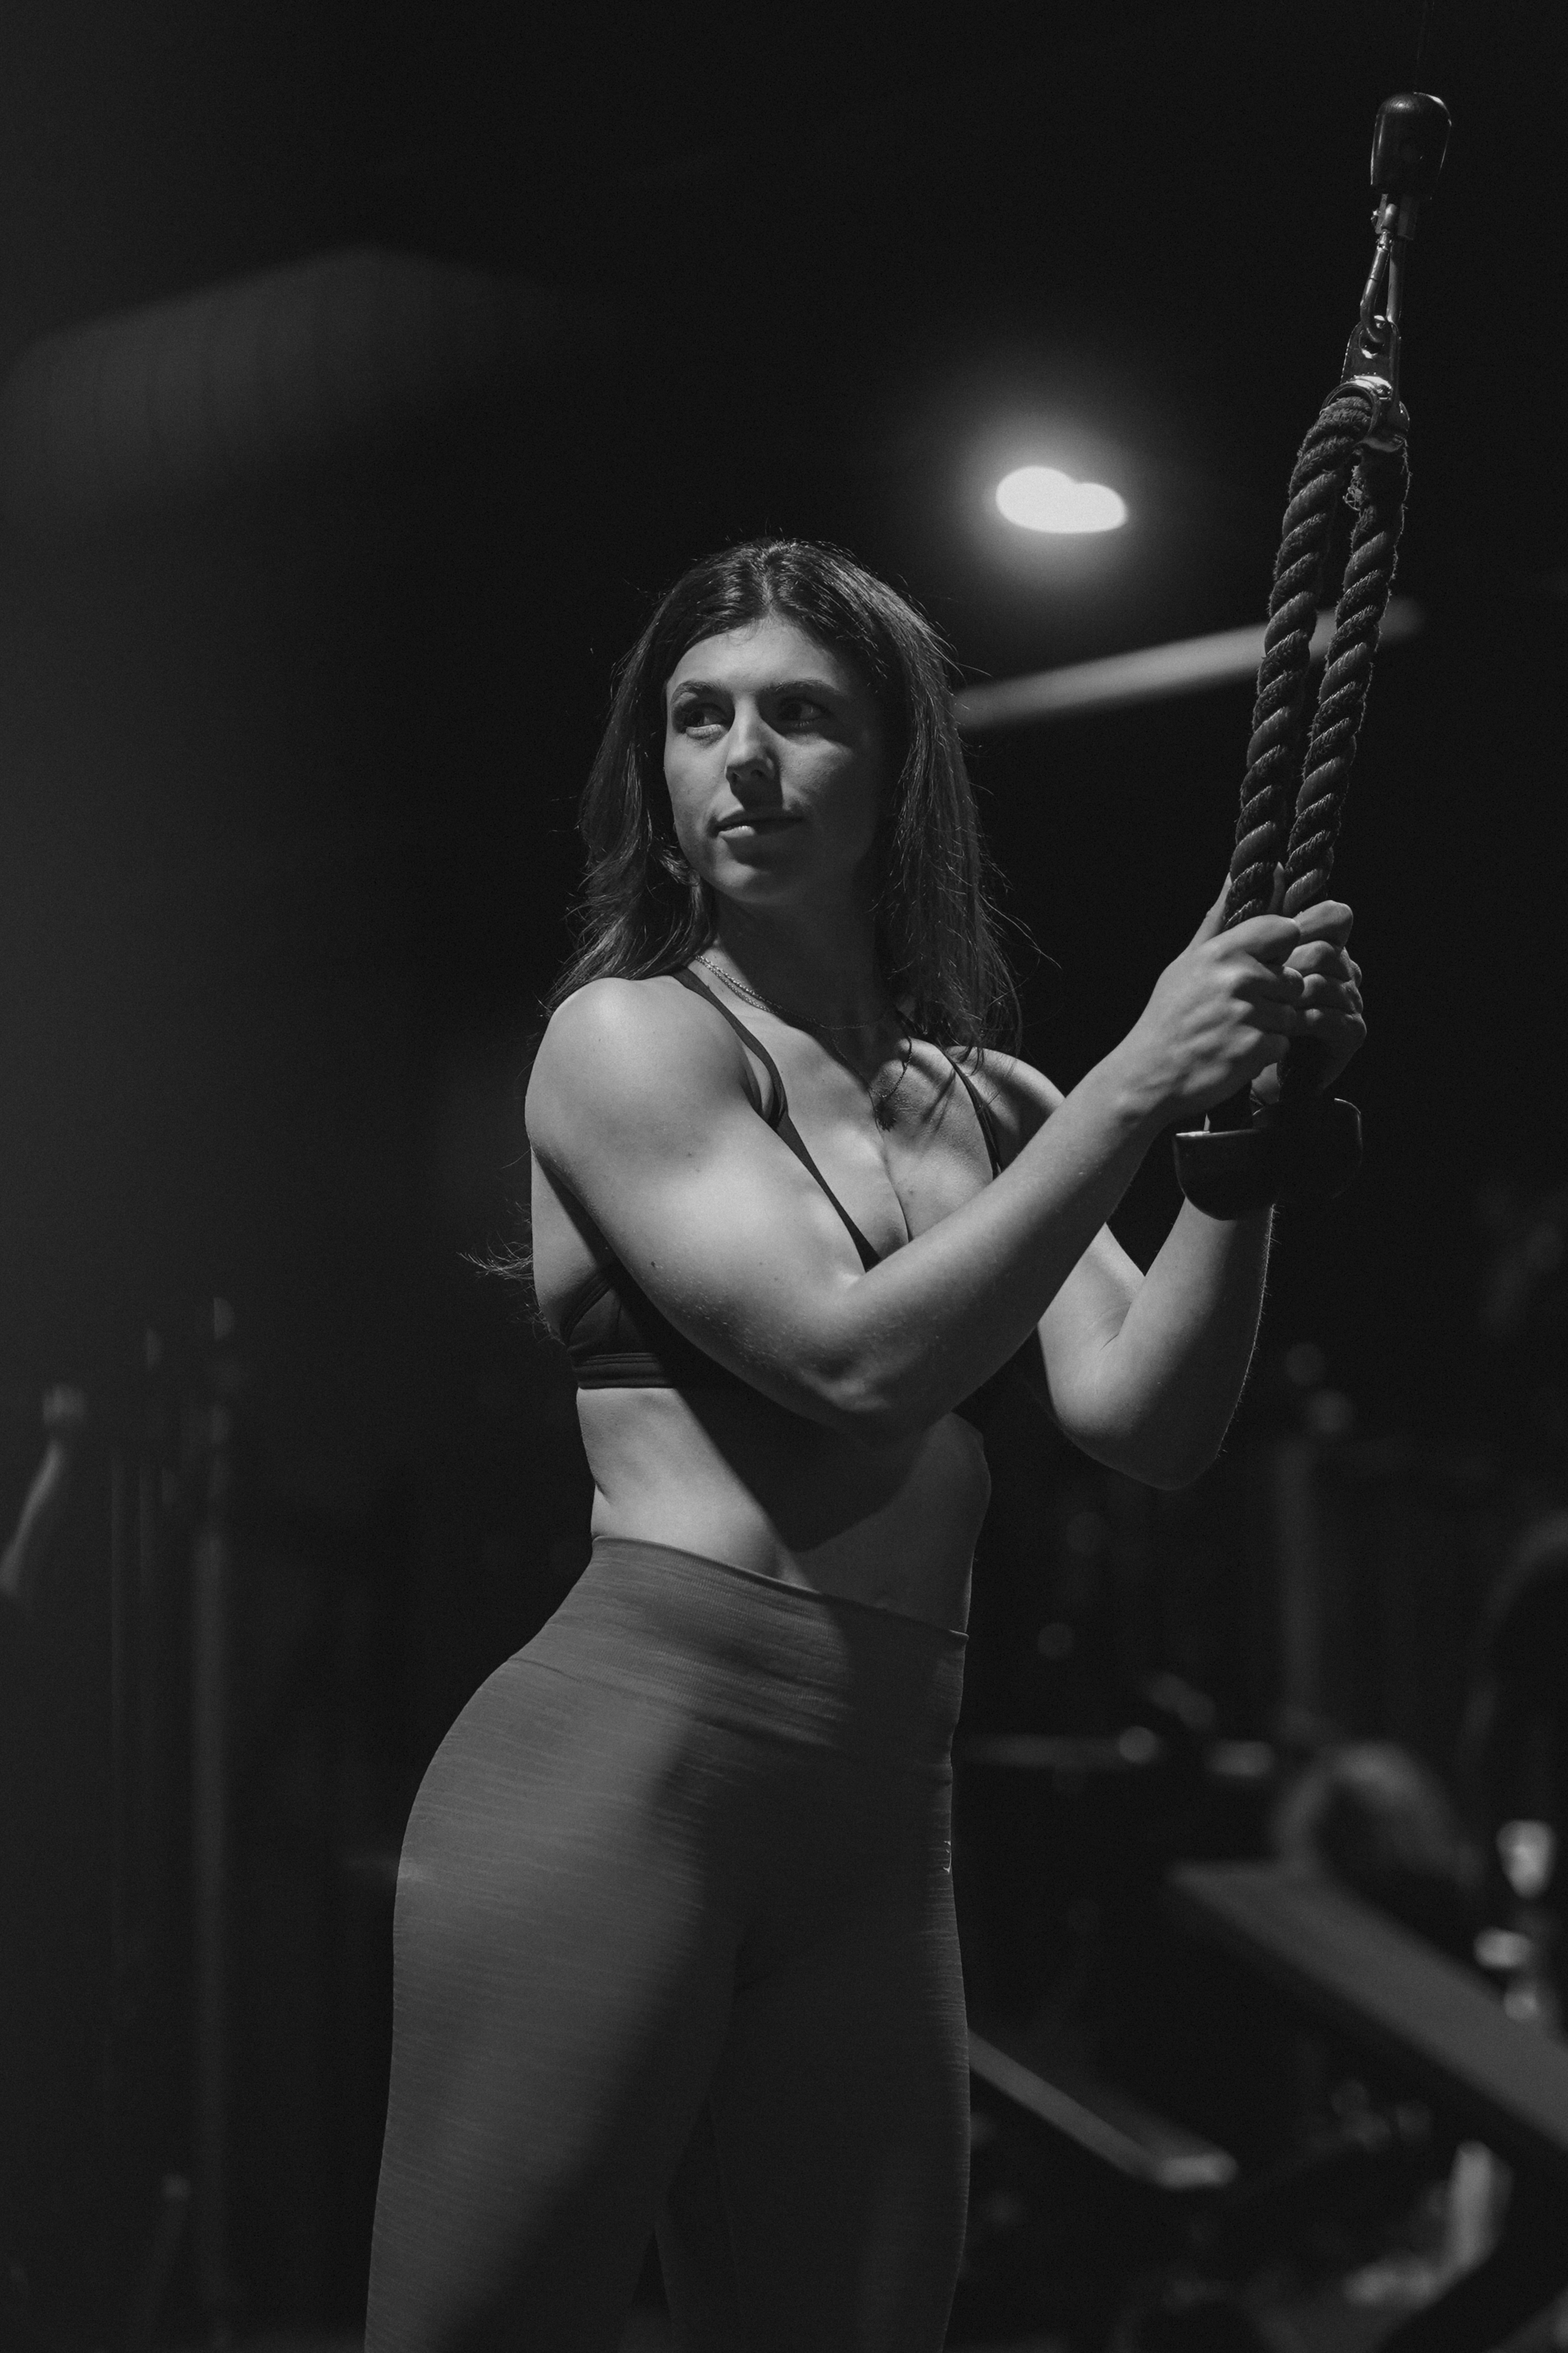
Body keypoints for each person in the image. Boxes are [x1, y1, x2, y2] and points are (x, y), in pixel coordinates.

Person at [365, 538, 1366, 2353]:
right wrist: (1148, 1073)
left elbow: (1148, 1424)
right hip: (621, 1780)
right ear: (657, 782)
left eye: (801, 716)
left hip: (877, 1818)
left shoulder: (994, 1105)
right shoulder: (624, 1041)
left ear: (896, 776)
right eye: (699, 716)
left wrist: (1235, 1162)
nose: (742, 756)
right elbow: (848, 1363)